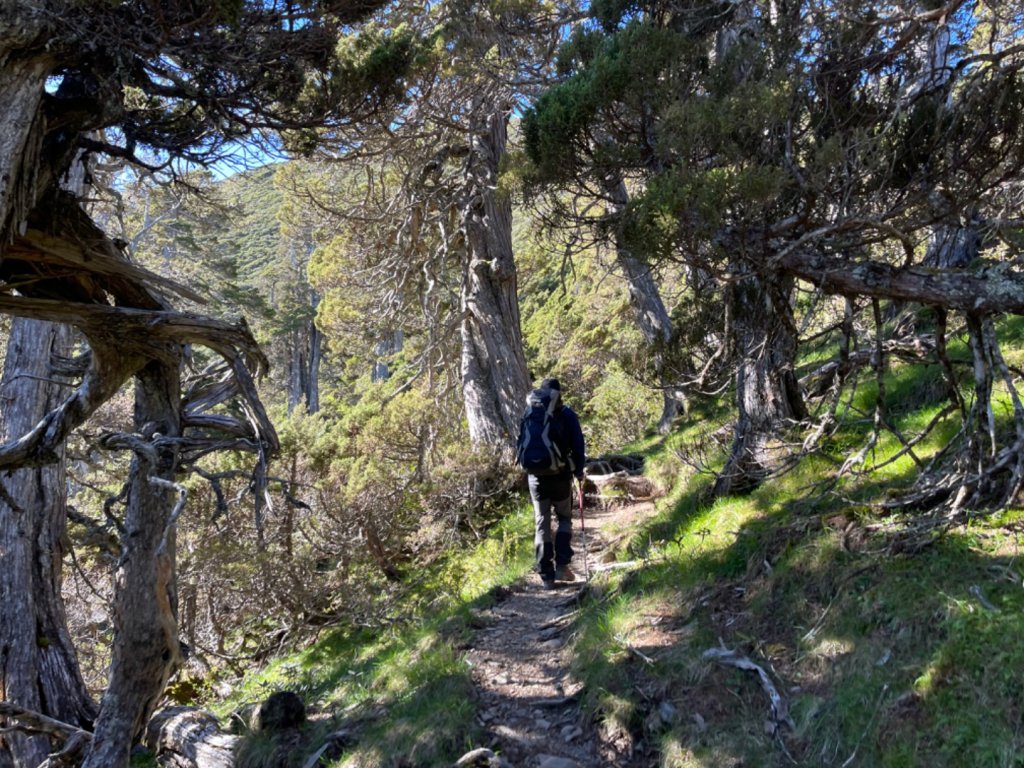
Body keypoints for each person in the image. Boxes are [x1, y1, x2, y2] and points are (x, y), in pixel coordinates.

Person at [520, 377, 586, 589]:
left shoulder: (530, 412)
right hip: (560, 475)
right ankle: (562, 566)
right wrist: (578, 471)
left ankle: (546, 575)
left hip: (535, 477)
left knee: (542, 522)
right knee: (565, 518)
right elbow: (578, 444)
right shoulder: (565, 413)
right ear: (559, 394)